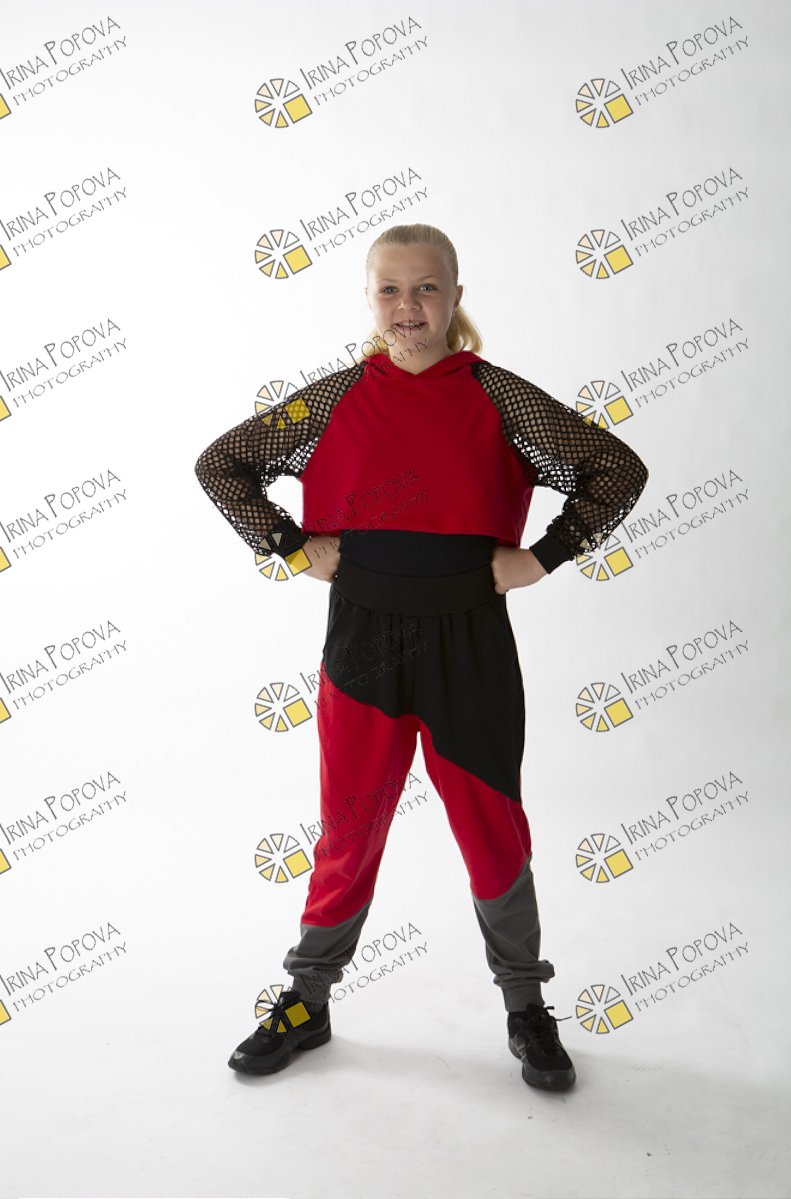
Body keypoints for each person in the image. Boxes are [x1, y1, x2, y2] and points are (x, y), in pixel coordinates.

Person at [194, 223, 649, 1092]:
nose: (410, 306)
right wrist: (290, 545)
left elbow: (615, 468)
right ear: (369, 301)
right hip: (362, 643)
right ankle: (307, 999)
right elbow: (223, 464)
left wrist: (543, 556)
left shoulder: (499, 397)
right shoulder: (331, 399)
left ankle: (526, 1005)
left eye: (427, 287)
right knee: (349, 826)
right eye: (391, 289)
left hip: (469, 645)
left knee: (491, 830)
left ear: (456, 296)